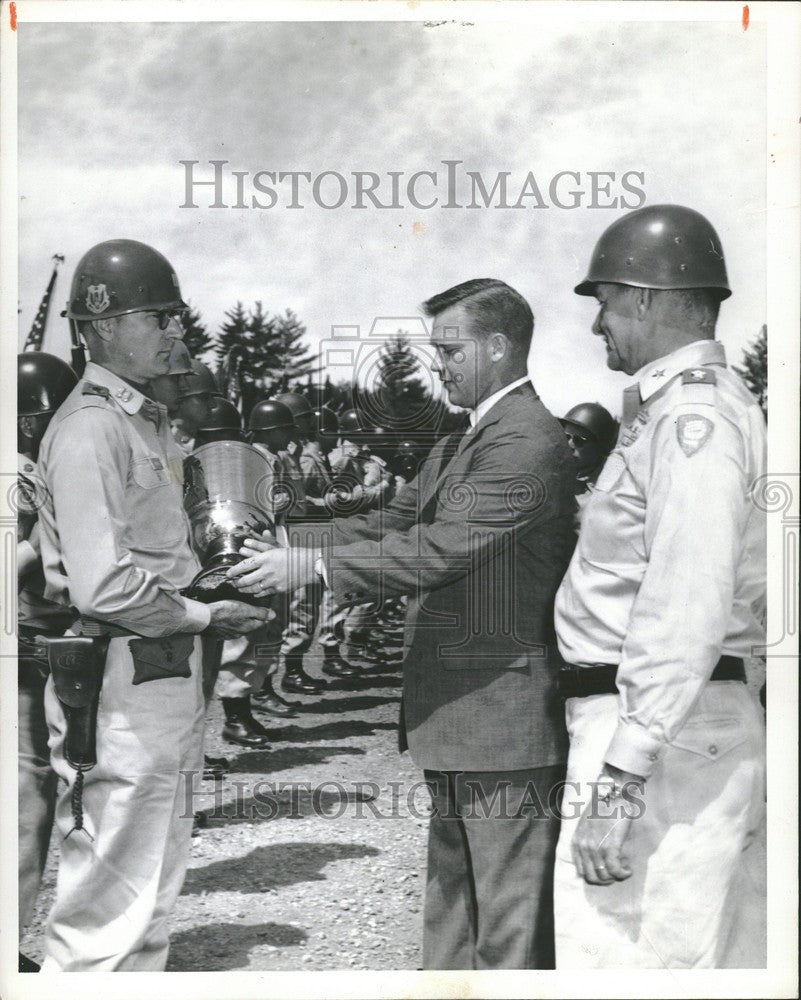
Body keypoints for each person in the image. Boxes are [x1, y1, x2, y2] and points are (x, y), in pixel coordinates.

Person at [228, 278, 577, 969]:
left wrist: (310, 569)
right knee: (453, 904)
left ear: (499, 348)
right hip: (462, 714)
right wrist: (282, 533)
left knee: (507, 925)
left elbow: (442, 548)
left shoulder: (524, 439)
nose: (435, 365)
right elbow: (390, 520)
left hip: (500, 720)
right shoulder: (465, 438)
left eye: (449, 350)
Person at [35, 239, 270, 971]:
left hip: (159, 674)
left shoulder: (141, 422)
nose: (177, 331)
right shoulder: (91, 428)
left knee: (150, 893)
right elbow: (104, 585)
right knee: (107, 904)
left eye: (175, 316)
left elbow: (161, 556)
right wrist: (205, 615)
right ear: (100, 325)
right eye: (157, 316)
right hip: (119, 680)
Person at [552, 205, 767, 968]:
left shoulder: (692, 418)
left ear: (643, 297)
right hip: (676, 725)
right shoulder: (683, 411)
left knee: (624, 959)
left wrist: (618, 782)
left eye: (604, 303)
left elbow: (686, 605)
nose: (596, 325)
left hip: (660, 734)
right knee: (699, 959)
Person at [16, 352, 79, 973]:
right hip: (38, 637)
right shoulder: (34, 472)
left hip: (35, 638)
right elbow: (28, 557)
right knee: (39, 784)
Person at [559, 402, 617, 523]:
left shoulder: (610, 492)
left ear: (600, 447)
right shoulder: (554, 474)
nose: (570, 445)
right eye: (566, 437)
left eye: (579, 440)